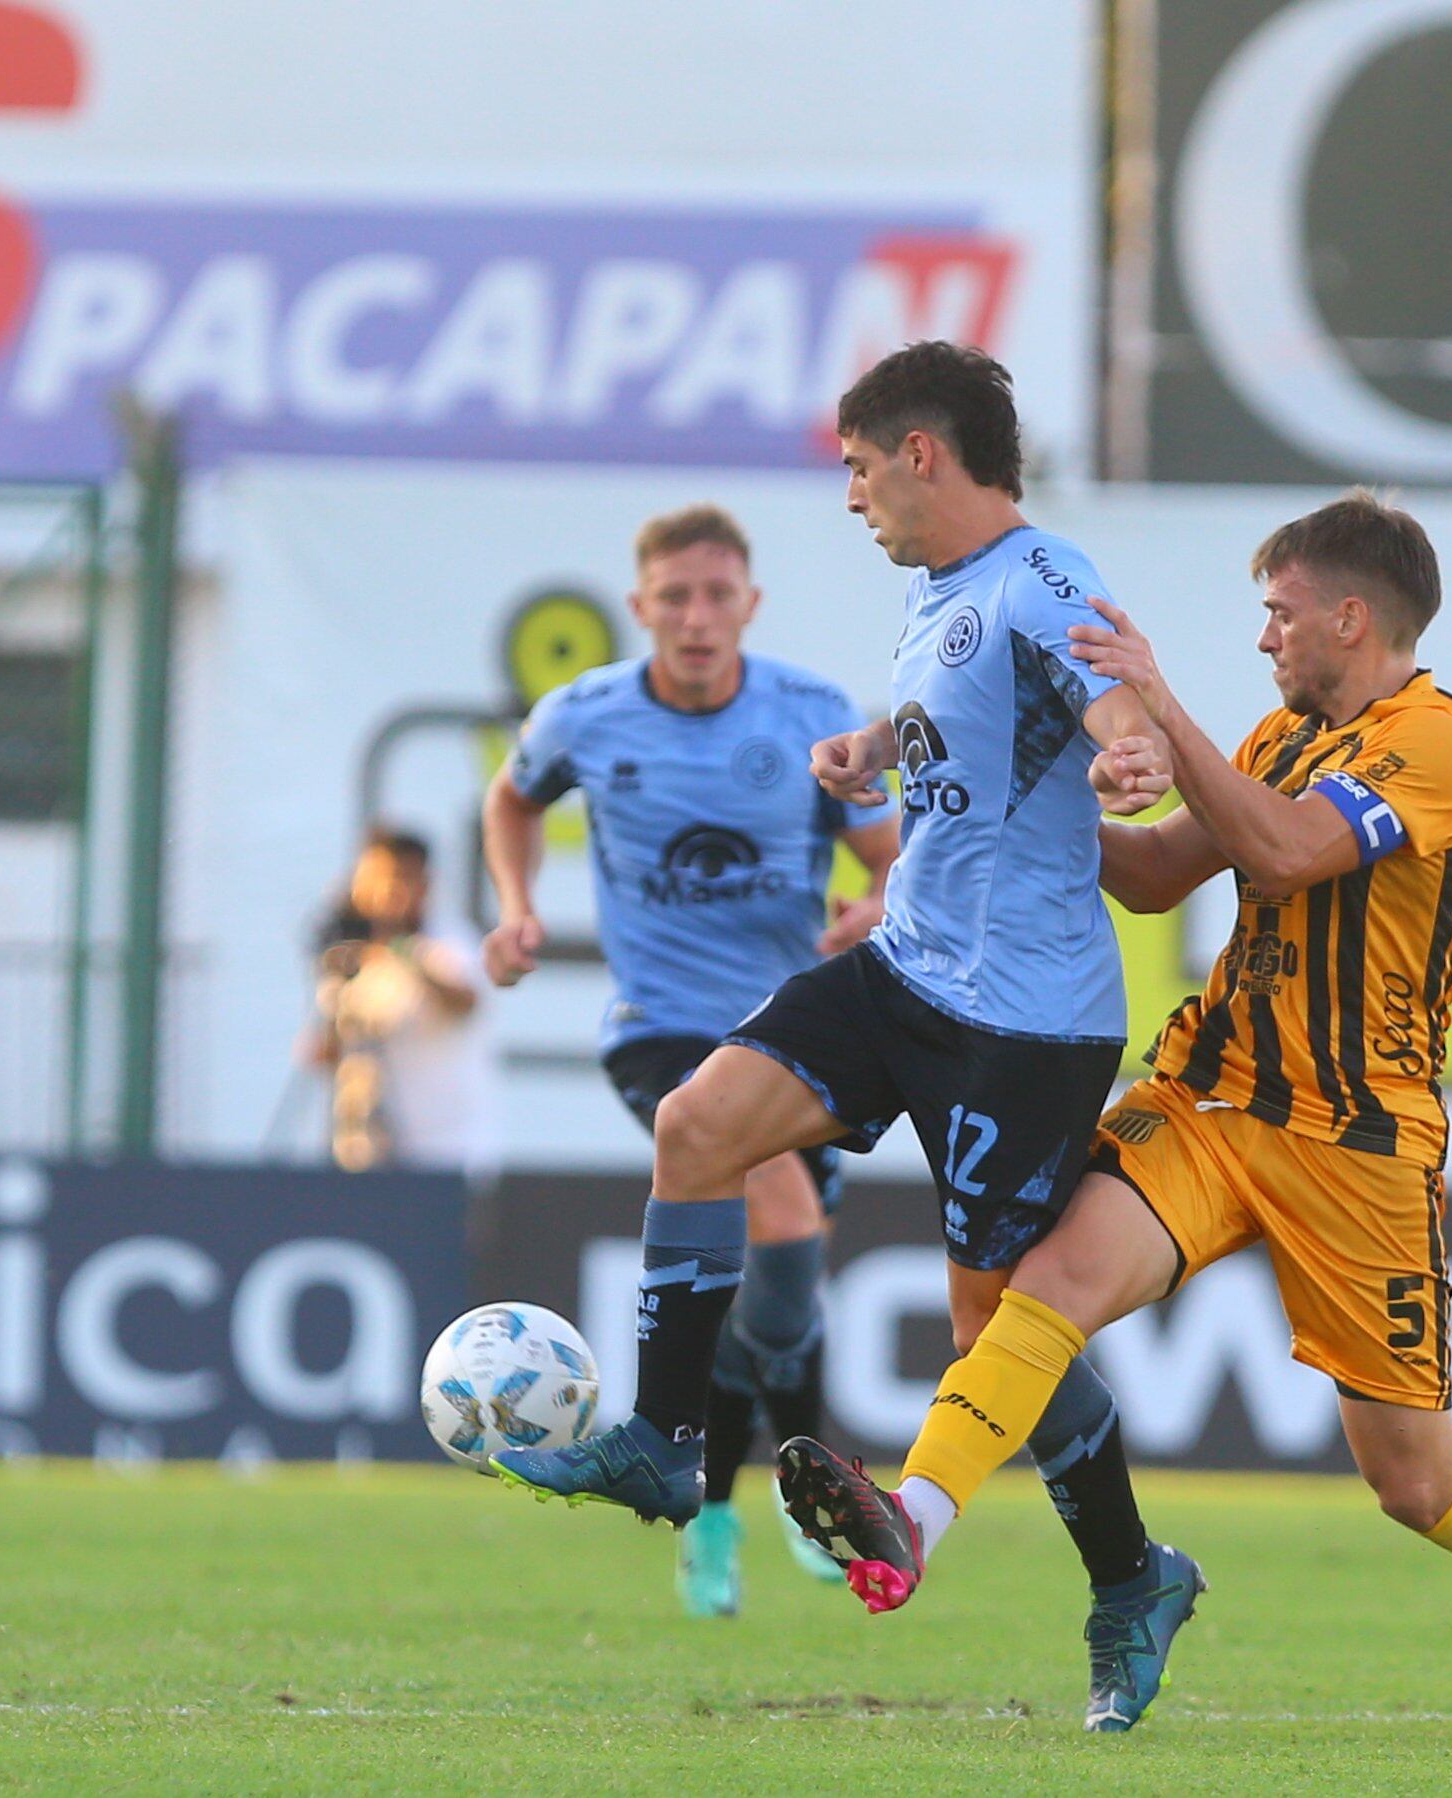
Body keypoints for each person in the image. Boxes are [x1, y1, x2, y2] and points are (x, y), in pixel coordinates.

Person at [777, 492, 1452, 1738]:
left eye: (1281, 613)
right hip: (1214, 1098)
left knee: (1416, 1482)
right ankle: (911, 1527)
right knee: (1049, 1284)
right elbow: (1152, 876)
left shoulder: (1441, 745)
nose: (1266, 640)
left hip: (1358, 1144)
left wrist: (1159, 698)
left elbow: (1293, 853)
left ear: (1350, 618)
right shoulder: (1280, 737)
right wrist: (991, 804)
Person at [487, 342, 1194, 1731]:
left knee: (997, 1327)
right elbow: (982, 715)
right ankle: (671, 1443)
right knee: (696, 1125)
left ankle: (1132, 1575)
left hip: (1026, 1021)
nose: (853, 495)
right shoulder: (941, 598)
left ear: (921, 454)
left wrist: (1137, 748)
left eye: (860, 467)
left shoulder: (1043, 577)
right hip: (905, 965)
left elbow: (1104, 692)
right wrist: (876, 747)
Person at [481, 501, 901, 1617]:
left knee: (771, 1286)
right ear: (641, 609)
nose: (698, 616)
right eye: (676, 597)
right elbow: (512, 797)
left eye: (718, 595)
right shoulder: (587, 716)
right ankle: (781, 1496)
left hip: (795, 1034)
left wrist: (873, 904)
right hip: (662, 1030)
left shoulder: (810, 713)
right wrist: (518, 908)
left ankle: (713, 1509)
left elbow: (888, 853)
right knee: (781, 1221)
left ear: (749, 605)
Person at [304, 829, 497, 1178]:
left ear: (424, 884)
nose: (386, 894)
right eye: (374, 880)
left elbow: (465, 1002)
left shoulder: (448, 941)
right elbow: (326, 1054)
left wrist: (403, 950)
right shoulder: (350, 959)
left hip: (444, 1157)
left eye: (398, 880)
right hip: (366, 1155)